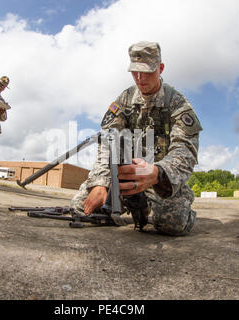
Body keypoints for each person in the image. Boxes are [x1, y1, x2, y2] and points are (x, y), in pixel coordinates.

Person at [70, 41, 202, 236]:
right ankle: (136, 205)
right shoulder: (124, 100)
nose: (140, 78)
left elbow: (185, 150)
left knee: (172, 223)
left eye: (147, 71)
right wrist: (101, 182)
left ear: (161, 68)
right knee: (80, 209)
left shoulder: (177, 103)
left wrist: (158, 173)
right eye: (135, 71)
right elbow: (107, 142)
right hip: (124, 178)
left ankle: (177, 200)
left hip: (159, 180)